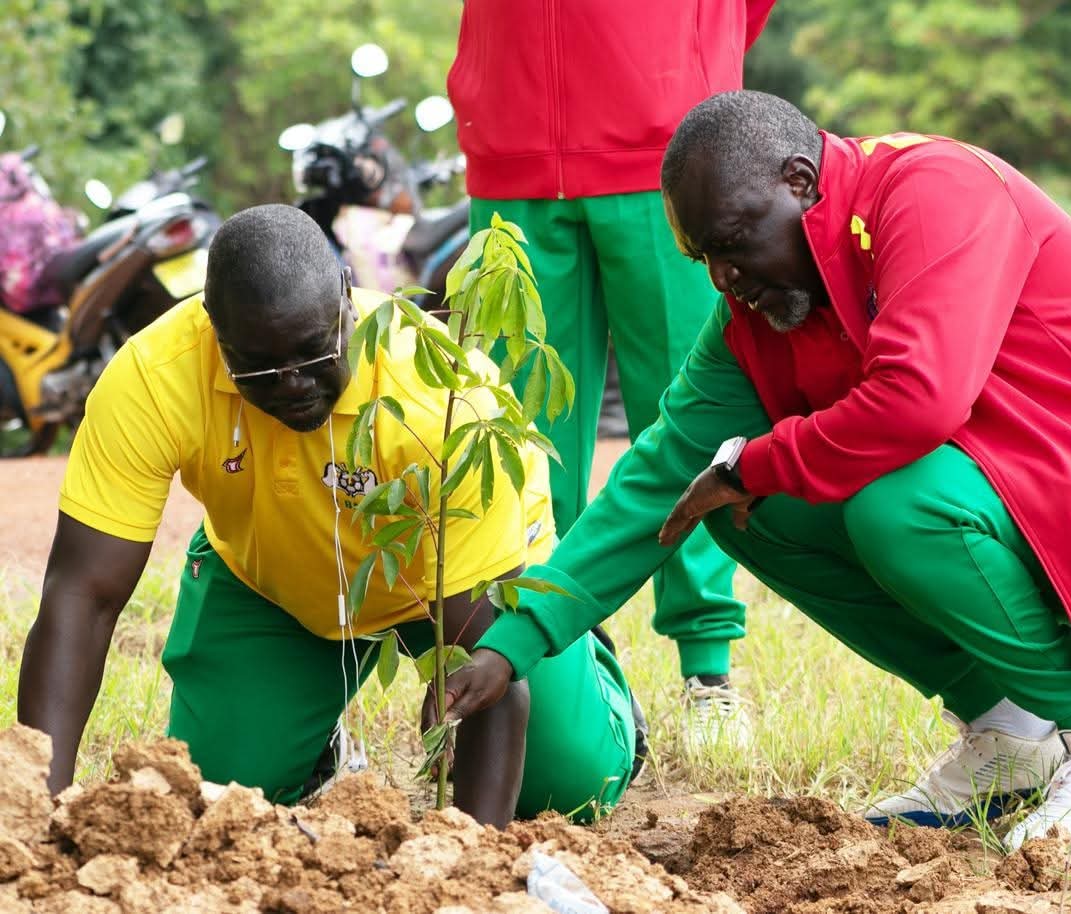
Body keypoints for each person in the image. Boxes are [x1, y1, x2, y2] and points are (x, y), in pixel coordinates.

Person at [428, 92, 1071, 857]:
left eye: (732, 244)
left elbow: (918, 401)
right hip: (1036, 487)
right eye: (705, 261)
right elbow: (659, 476)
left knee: (889, 502)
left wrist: (755, 459)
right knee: (730, 505)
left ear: (802, 181)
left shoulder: (933, 190)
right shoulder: (755, 316)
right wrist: (515, 642)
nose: (724, 279)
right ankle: (1010, 733)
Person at [16, 204, 638, 828]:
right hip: (277, 584)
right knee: (219, 800)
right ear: (214, 329)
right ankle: (319, 747)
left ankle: (601, 691)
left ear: (347, 296)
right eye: (257, 366)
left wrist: (469, 855)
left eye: (316, 352)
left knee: (569, 788)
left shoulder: (436, 397)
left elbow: (494, 674)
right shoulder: (154, 378)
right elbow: (83, 594)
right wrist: (37, 801)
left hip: (455, 580)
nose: (292, 383)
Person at [445, 0, 776, 743]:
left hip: (666, 147)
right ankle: (560, 662)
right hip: (510, 143)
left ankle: (707, 667)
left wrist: (688, 57)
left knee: (693, 416)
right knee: (513, 429)